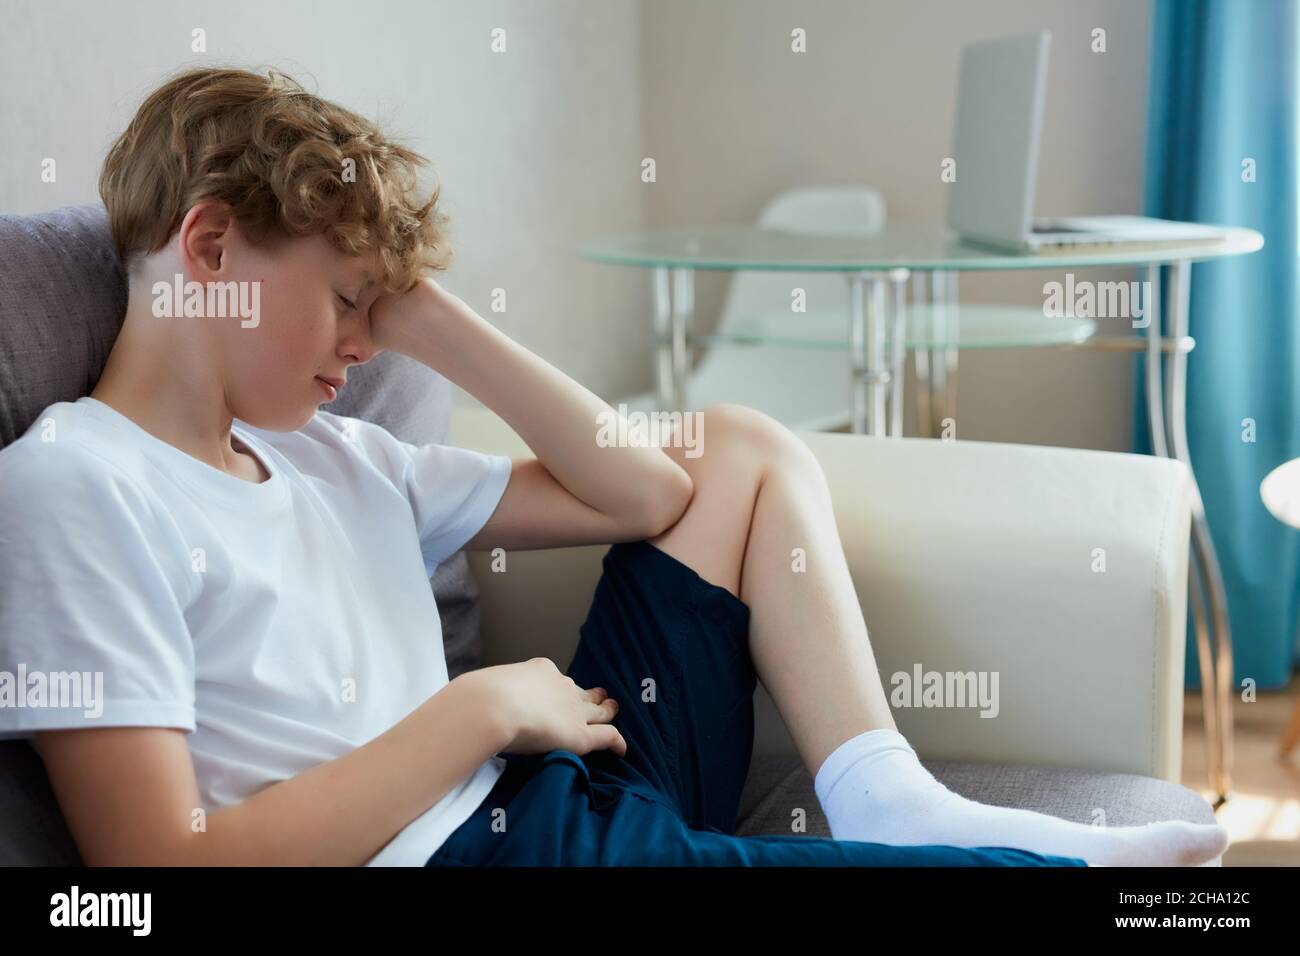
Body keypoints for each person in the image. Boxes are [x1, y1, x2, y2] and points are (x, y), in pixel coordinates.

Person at [0, 66, 1228, 868]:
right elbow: (154, 866)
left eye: (380, 309)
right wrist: (478, 708)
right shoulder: (80, 486)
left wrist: (426, 313)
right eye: (347, 300)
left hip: (561, 781)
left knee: (736, 442)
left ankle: (886, 794)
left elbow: (656, 494)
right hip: (469, 848)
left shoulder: (335, 454)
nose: (364, 342)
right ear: (208, 242)